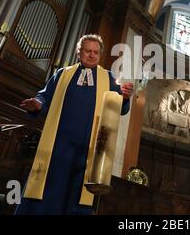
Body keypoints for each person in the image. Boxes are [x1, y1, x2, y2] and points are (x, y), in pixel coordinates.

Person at [16, 34, 133, 215]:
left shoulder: (109, 79)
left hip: (88, 151)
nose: (92, 55)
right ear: (79, 52)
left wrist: (125, 98)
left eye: (96, 52)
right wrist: (38, 104)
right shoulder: (63, 74)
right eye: (87, 51)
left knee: (78, 197)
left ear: (100, 55)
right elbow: (44, 96)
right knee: (47, 191)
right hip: (57, 147)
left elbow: (120, 109)